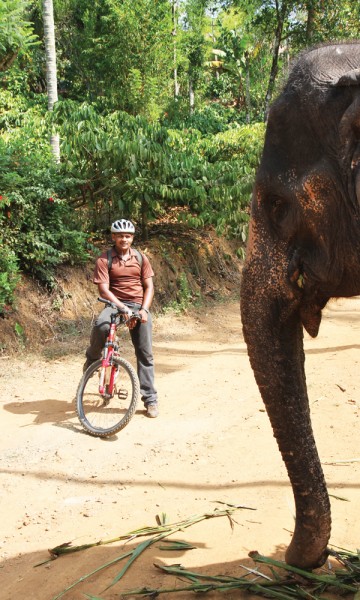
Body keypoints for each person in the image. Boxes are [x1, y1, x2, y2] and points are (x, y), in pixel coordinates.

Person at [84, 219, 159, 418]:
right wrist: (122, 307)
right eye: (119, 235)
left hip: (137, 305)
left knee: (145, 353)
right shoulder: (104, 259)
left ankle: (150, 399)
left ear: (132, 238)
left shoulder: (141, 258)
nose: (123, 239)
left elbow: (149, 286)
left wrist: (143, 310)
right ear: (113, 237)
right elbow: (104, 289)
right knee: (101, 325)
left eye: (127, 236)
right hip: (114, 304)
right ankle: (92, 359)